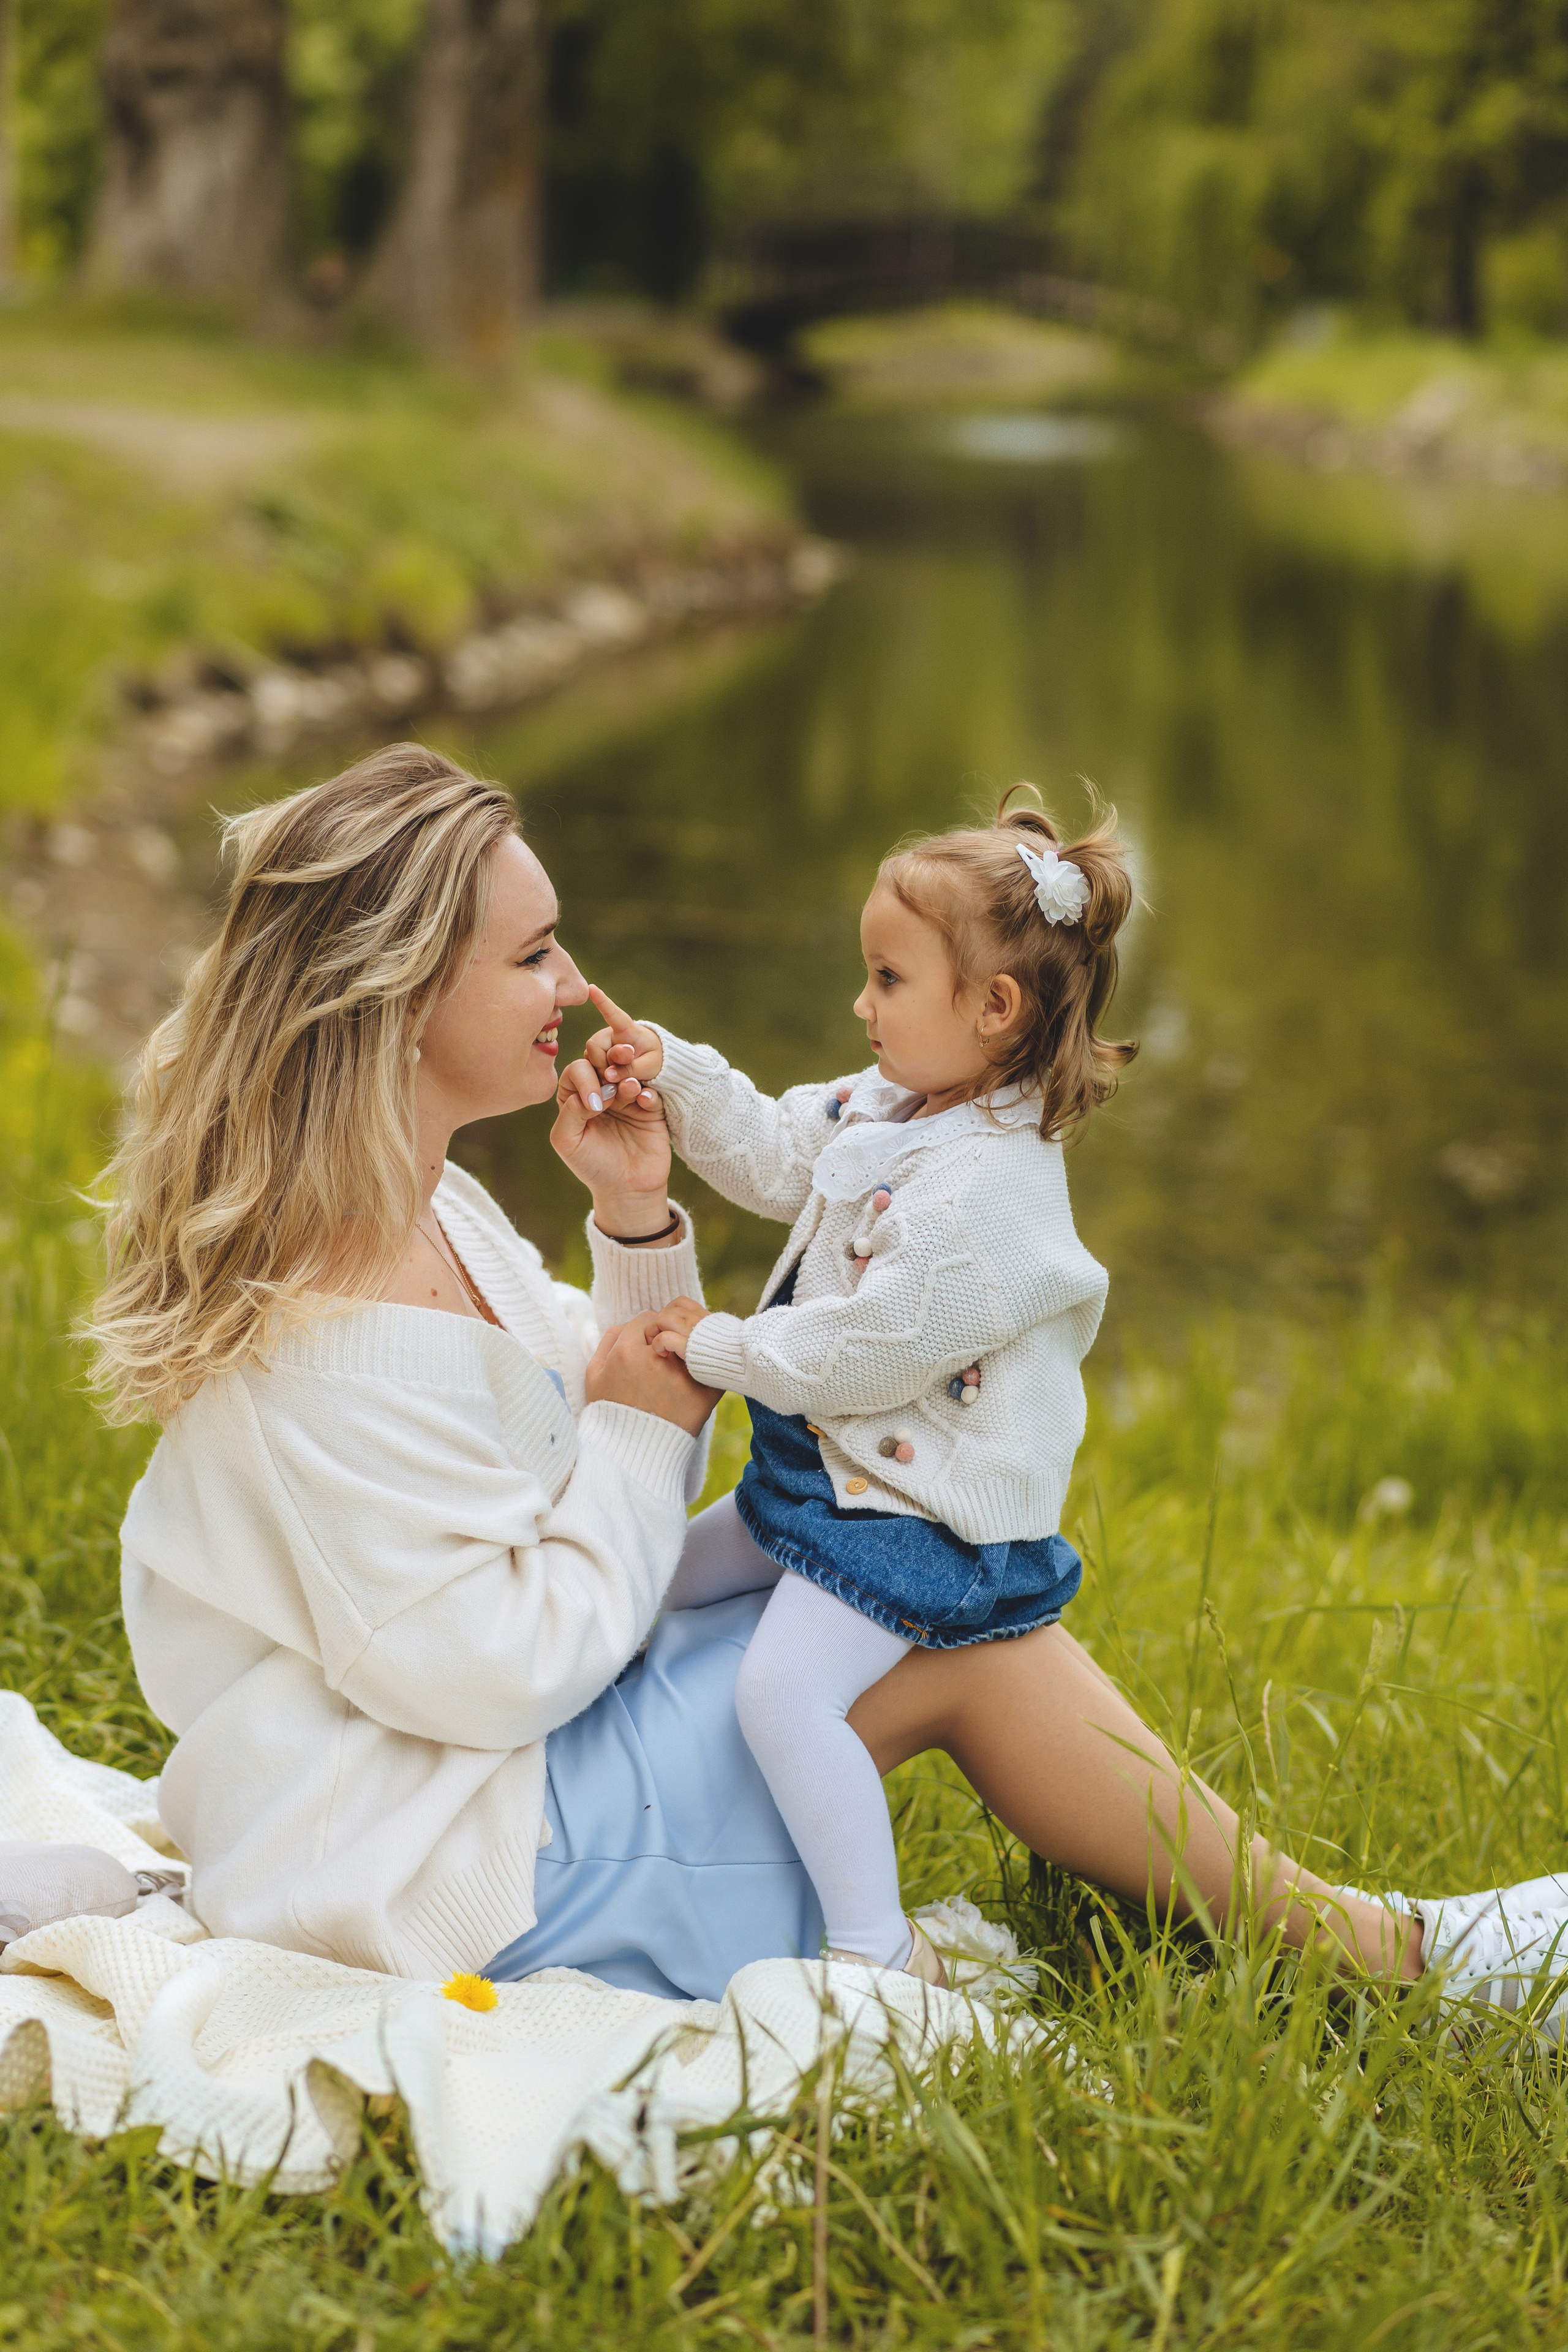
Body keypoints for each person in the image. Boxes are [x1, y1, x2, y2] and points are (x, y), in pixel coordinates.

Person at [92, 742, 1568, 2020]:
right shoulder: (330, 1327)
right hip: (454, 1857)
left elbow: (605, 1419)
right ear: (401, 994)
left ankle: (1374, 1940)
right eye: (533, 953)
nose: (575, 984)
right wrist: (635, 1421)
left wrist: (635, 1227)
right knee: (946, 1622)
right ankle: (1400, 1960)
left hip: (485, 1770)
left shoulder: (427, 1211)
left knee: (904, 1570)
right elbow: (504, 1658)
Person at [572, 795, 1129, 1984]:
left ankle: (873, 1949)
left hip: (909, 1522)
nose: (860, 1005)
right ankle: (583, 1783)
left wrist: (716, 1346)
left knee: (782, 1695)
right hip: (818, 1485)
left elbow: (869, 1350)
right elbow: (779, 1153)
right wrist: (673, 1073)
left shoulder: (993, 1192)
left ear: (992, 1008)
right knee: (639, 1580)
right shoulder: (892, 1105)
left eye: (886, 979)